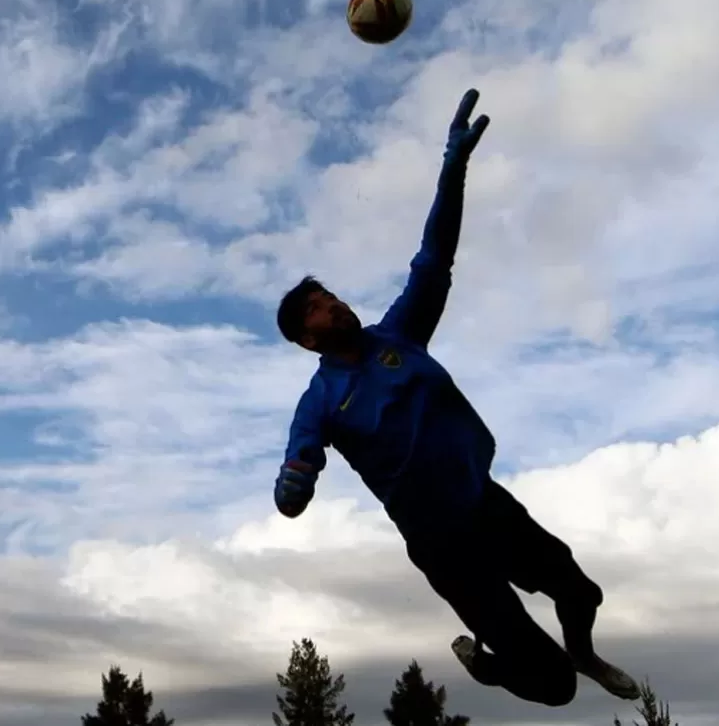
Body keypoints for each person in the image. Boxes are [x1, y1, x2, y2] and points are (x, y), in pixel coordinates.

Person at [270, 88, 640, 707]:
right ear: (308, 339)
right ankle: (491, 665)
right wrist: (294, 484)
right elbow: (295, 475)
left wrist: (453, 169)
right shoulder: (318, 403)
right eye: (318, 309)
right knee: (554, 689)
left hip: (483, 504)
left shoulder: (400, 334)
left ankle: (585, 651)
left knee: (581, 593)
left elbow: (434, 258)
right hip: (442, 544)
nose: (333, 305)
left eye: (330, 296)